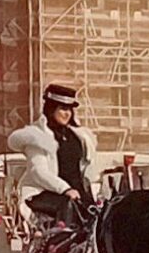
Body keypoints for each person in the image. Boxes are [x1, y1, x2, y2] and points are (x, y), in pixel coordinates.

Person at [7, 83, 96, 225]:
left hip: (76, 193)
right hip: (44, 192)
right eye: (63, 109)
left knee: (100, 212)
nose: (67, 113)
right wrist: (65, 189)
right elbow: (39, 172)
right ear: (51, 108)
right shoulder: (37, 136)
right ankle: (57, 243)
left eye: (70, 110)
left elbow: (84, 170)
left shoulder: (78, 137)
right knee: (68, 205)